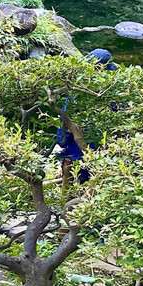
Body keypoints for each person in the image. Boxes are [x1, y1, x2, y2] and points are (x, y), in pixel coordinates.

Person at [54, 48, 117, 184]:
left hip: (78, 154)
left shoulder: (75, 97)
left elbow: (64, 126)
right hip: (106, 154)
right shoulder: (115, 95)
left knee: (77, 184)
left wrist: (61, 141)